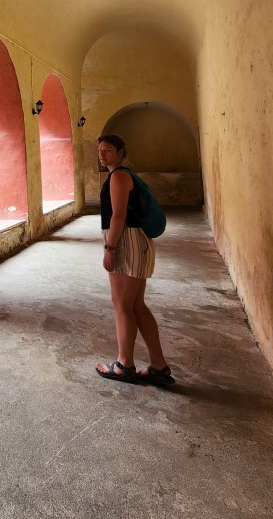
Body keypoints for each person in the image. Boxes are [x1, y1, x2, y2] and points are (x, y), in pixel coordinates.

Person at [94, 134, 175, 385]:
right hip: (134, 242)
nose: (102, 154)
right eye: (100, 150)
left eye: (108, 150)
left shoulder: (119, 176)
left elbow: (118, 216)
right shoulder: (122, 175)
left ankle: (124, 365)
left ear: (121, 152)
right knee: (136, 305)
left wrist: (110, 248)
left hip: (126, 242)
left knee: (122, 304)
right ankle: (158, 367)